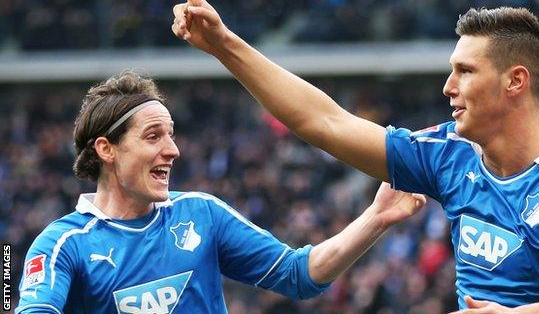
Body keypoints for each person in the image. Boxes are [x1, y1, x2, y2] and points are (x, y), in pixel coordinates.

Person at [168, 0, 539, 313]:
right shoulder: (449, 155)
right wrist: (225, 45)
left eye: (465, 71)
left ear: (515, 81)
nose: (448, 86)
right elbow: (325, 123)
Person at [15, 71, 426, 314]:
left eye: (172, 135)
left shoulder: (201, 214)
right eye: (153, 136)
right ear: (107, 149)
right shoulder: (61, 245)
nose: (172, 150)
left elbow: (298, 274)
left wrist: (377, 217)